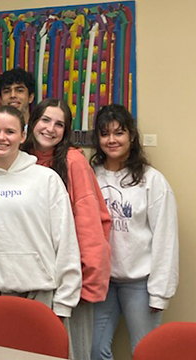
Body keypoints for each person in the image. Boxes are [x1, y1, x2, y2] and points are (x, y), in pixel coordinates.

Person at [0, 105, 82, 320]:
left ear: (23, 136)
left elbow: (65, 241)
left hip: (41, 295)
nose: (1, 138)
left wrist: (64, 302)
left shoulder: (46, 179)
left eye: (10, 132)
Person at [22, 98, 111, 360]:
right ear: (33, 121)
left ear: (66, 131)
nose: (50, 129)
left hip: (69, 282)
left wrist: (89, 283)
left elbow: (90, 224)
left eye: (59, 124)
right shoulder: (20, 160)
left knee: (68, 352)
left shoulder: (73, 161)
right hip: (29, 277)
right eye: (45, 120)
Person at [90, 104, 179, 360]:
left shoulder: (152, 180)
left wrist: (160, 293)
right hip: (103, 283)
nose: (111, 140)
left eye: (119, 133)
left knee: (146, 353)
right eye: (105, 134)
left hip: (141, 284)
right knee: (93, 349)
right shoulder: (91, 176)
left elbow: (166, 239)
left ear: (131, 136)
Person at [0, 67, 36, 158]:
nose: (13, 95)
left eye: (19, 90)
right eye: (7, 91)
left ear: (30, 97)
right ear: (1, 100)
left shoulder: (39, 134)